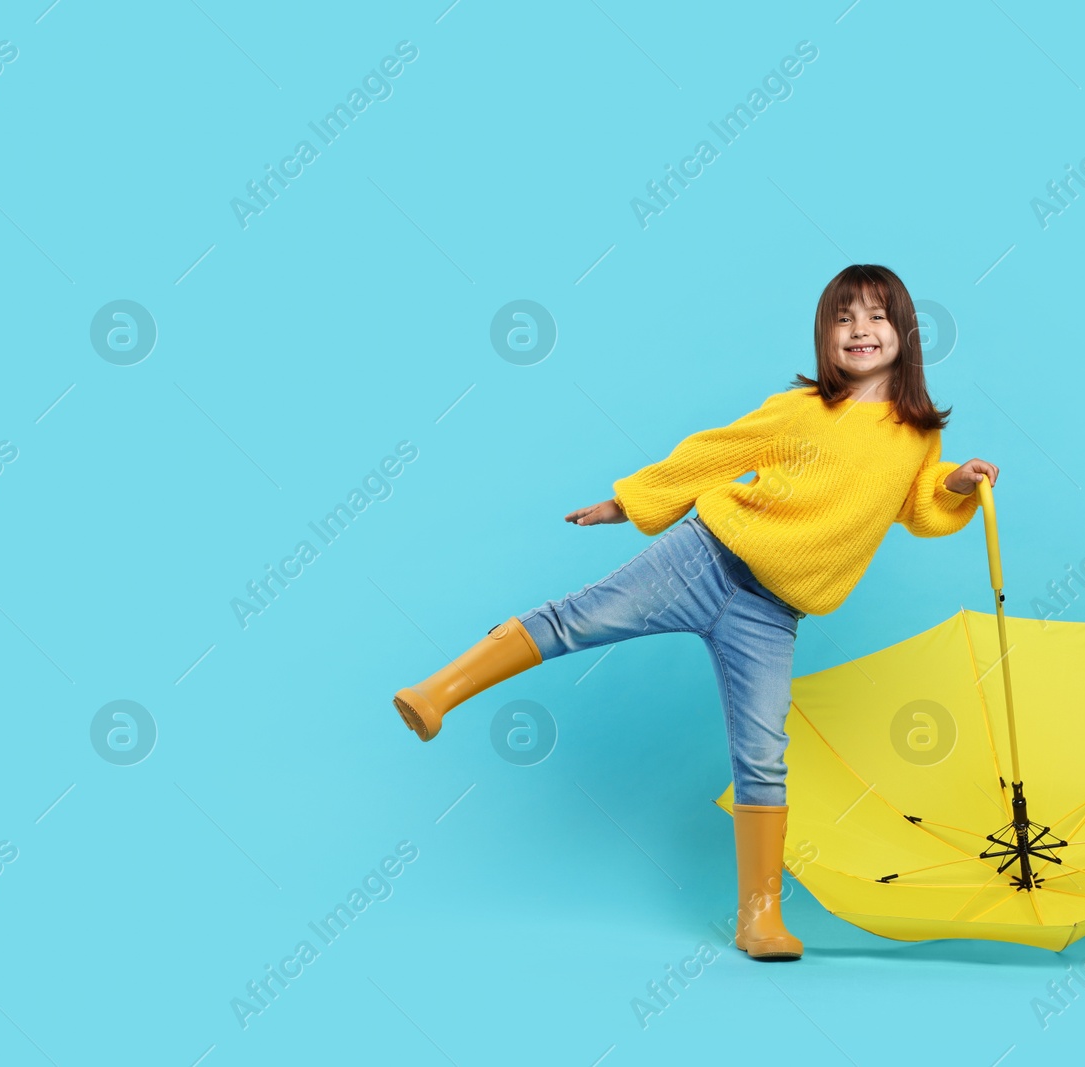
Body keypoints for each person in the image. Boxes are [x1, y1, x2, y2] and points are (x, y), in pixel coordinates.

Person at [391, 264, 1000, 961]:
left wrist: (955, 481)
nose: (860, 329)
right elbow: (717, 451)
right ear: (826, 337)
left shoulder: (916, 433)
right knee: (576, 618)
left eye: (876, 316)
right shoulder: (801, 409)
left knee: (763, 758)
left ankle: (759, 917)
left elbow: (916, 500)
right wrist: (630, 501)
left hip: (772, 613)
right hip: (705, 557)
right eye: (844, 317)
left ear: (905, 333)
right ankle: (437, 691)